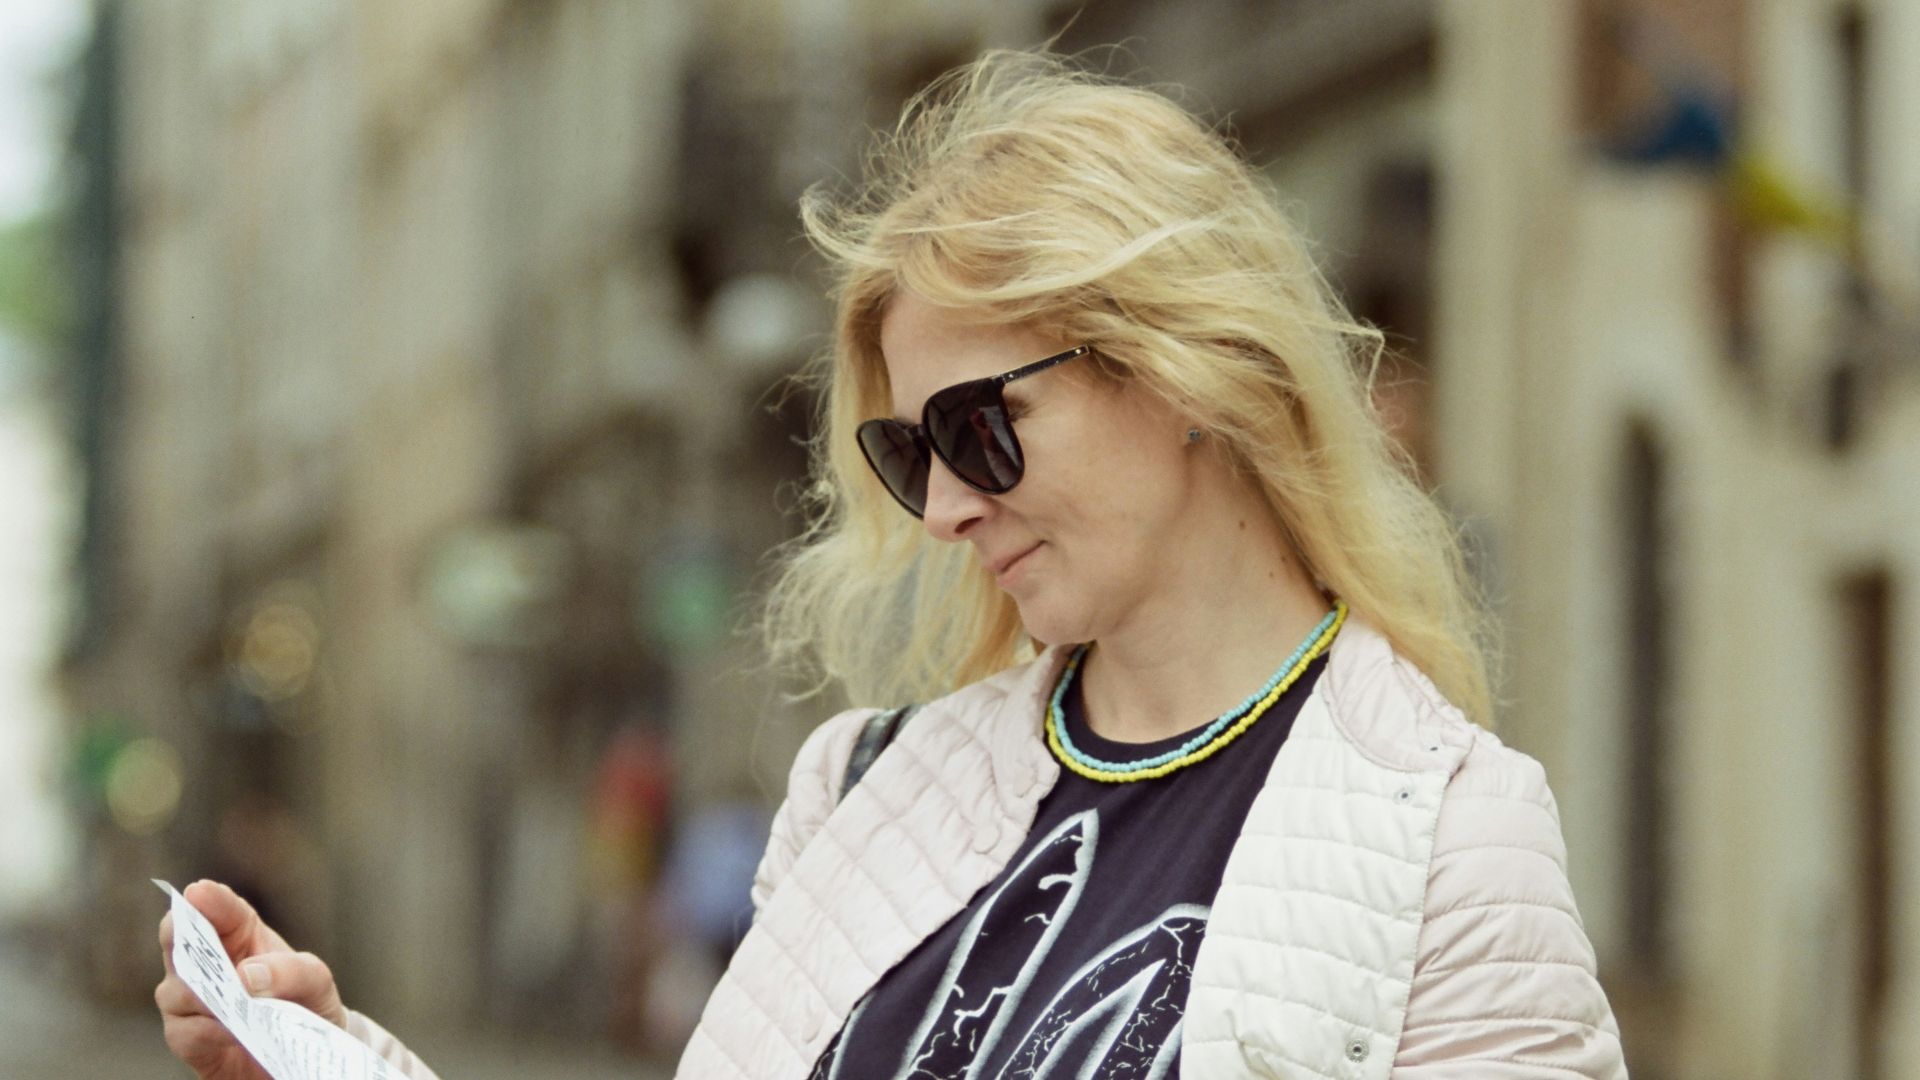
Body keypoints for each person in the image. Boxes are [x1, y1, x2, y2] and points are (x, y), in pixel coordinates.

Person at [156, 49, 1628, 1079]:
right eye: (908, 454)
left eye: (984, 430)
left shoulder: (1449, 835)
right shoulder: (865, 785)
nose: (942, 512)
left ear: (1184, 370)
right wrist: (336, 1053)